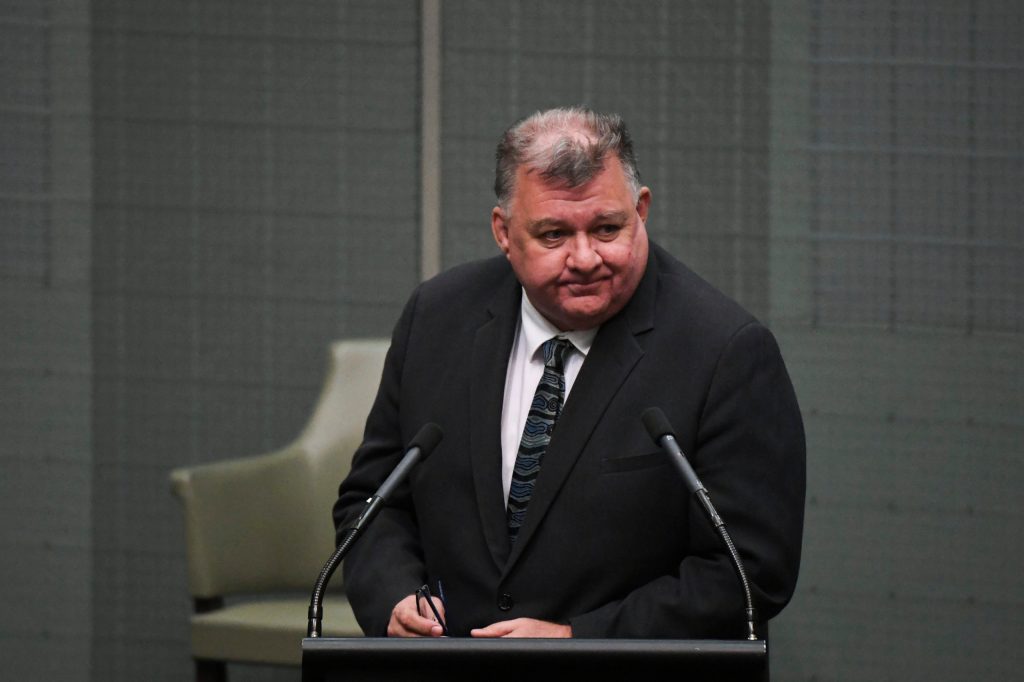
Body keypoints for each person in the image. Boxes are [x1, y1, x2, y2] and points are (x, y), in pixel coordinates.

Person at [332, 106, 805, 639]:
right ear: (504, 232)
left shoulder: (726, 352)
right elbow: (372, 502)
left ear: (641, 210)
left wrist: (577, 641)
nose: (585, 258)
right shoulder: (438, 317)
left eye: (607, 228)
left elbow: (749, 573)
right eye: (554, 235)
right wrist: (395, 598)